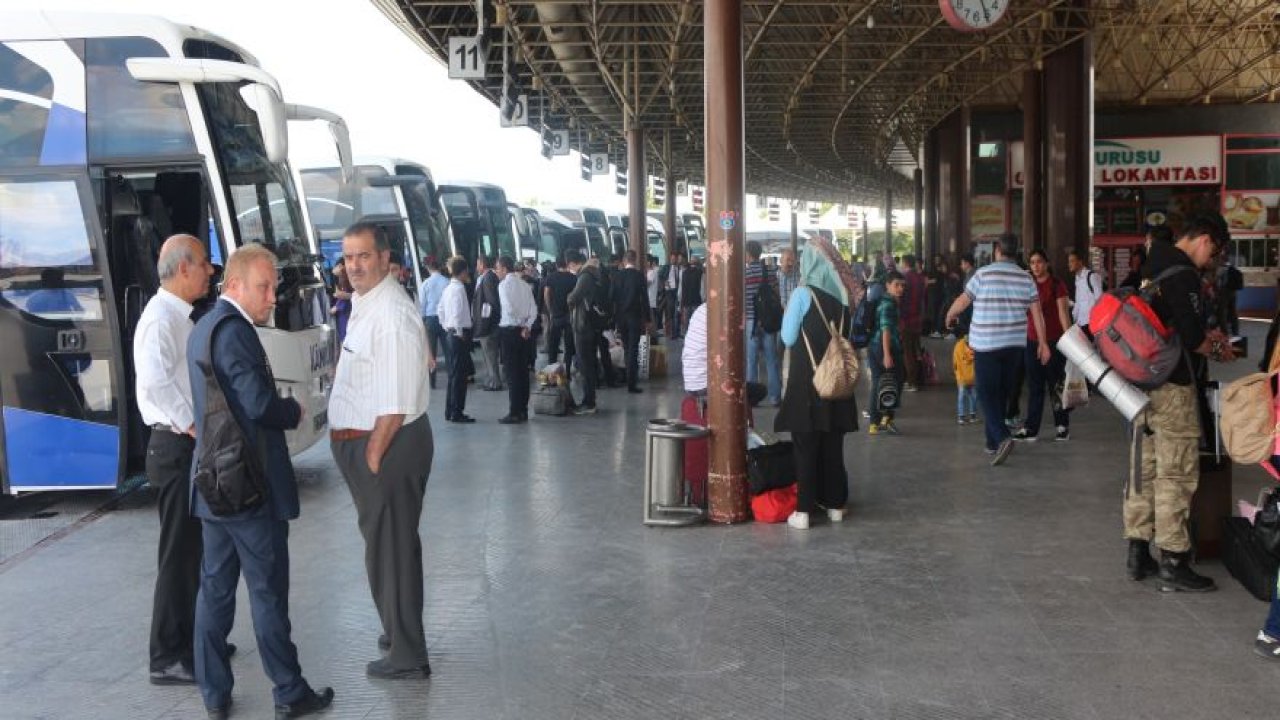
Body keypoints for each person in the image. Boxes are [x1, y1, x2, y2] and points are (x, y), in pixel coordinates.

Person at [188, 244, 333, 719]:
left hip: (214, 486)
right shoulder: (233, 332)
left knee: (214, 591)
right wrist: (290, 409)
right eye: (264, 286)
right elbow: (256, 404)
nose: (273, 296)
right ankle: (290, 693)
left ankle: (214, 693)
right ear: (234, 286)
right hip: (247, 488)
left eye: (274, 286)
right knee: (267, 593)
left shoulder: (203, 327)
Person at [329, 221, 435, 680]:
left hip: (386, 446)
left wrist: (371, 458)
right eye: (349, 257)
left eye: (364, 256)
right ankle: (397, 630)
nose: (354, 265)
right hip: (376, 445)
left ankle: (407, 654)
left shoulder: (390, 314)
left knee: (389, 551)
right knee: (390, 546)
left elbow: (393, 406)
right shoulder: (368, 302)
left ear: (386, 259)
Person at [1123, 214, 1237, 592]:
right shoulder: (1182, 272)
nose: (1212, 260)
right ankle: (1173, 560)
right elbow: (1191, 337)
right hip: (1174, 387)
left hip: (1141, 386)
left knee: (1144, 468)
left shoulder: (1151, 263)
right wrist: (1218, 346)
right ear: (1204, 239)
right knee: (1176, 471)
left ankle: (1138, 553)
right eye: (1215, 251)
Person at [134, 234, 214, 686]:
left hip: (185, 445)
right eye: (204, 263)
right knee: (178, 556)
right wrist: (193, 425)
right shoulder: (160, 319)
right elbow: (157, 382)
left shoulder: (179, 316)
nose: (209, 271)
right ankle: (167, 655)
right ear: (183, 268)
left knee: (196, 552)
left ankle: (193, 635)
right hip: (173, 448)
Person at [775, 238, 859, 530]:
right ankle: (835, 505)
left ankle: (804, 511)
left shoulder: (803, 294)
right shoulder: (845, 296)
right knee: (833, 446)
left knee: (805, 446)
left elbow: (787, 338)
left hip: (808, 383)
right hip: (837, 383)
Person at [945, 233, 1050, 466]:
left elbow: (963, 300)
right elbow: (1037, 313)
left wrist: (950, 314)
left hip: (987, 344)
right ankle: (992, 443)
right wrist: (1042, 343)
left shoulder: (983, 274)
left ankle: (1002, 437)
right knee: (1001, 392)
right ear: (1017, 253)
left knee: (985, 392)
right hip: (1014, 345)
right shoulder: (1026, 279)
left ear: (997, 251)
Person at [1013, 249, 1074, 442]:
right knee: (1034, 386)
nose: (1036, 266)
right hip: (1032, 340)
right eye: (1032, 263)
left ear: (1046, 264)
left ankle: (1062, 425)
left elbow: (1064, 314)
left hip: (1055, 341)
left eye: (1039, 262)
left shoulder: (1057, 285)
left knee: (1055, 385)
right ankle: (1031, 429)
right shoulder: (1026, 285)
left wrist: (1070, 341)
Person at [495, 255, 537, 423]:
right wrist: (527, 326)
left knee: (512, 374)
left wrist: (519, 324)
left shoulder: (503, 286)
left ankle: (514, 412)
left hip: (510, 331)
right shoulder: (525, 285)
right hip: (524, 332)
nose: (496, 271)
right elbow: (533, 309)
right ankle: (523, 410)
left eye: (497, 268)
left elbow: (509, 308)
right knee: (523, 372)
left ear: (505, 269)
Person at [744, 240, 782, 405]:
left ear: (748, 254)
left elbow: (743, 297)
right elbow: (776, 293)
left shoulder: (745, 274)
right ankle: (775, 397)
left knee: (752, 360)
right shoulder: (770, 271)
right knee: (771, 360)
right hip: (768, 321)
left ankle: (752, 398)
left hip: (752, 321)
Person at [438, 256, 475, 423]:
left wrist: (447, 326)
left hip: (451, 333)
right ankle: (457, 412)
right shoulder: (459, 289)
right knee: (460, 376)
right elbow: (457, 312)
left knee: (453, 375)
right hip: (459, 335)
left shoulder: (448, 288)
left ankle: (450, 410)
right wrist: (458, 331)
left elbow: (440, 310)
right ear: (463, 271)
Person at [868, 272, 905, 435]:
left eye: (902, 285)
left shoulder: (885, 300)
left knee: (877, 382)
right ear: (888, 285)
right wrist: (887, 354)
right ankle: (887, 419)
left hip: (873, 346)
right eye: (896, 285)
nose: (900, 288)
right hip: (885, 348)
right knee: (897, 380)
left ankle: (873, 424)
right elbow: (885, 330)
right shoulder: (888, 304)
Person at [566, 250, 601, 414]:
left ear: (573, 263)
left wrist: (569, 297)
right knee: (589, 363)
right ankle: (590, 399)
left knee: (585, 364)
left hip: (583, 325)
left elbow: (573, 298)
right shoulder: (593, 274)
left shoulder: (585, 276)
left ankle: (589, 402)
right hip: (590, 323)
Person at [612, 250, 652, 394]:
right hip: (635, 317)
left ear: (624, 260)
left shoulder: (617, 276)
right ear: (634, 260)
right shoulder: (639, 276)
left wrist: (613, 319)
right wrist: (647, 319)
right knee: (633, 349)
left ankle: (627, 376)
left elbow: (612, 297)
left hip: (621, 318)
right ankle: (632, 383)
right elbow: (644, 299)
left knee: (626, 347)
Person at [472, 255, 502, 391]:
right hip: (487, 324)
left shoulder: (488, 278)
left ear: (482, 264)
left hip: (488, 325)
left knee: (490, 354)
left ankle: (495, 382)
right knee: (487, 354)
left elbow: (492, 302)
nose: (476, 267)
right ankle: (490, 380)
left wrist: (487, 322)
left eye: (478, 264)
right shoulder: (486, 277)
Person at [418, 256, 449, 389]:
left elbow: (422, 304)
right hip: (444, 319)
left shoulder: (425, 284)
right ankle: (452, 377)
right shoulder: (447, 281)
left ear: (428, 268)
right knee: (448, 350)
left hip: (430, 320)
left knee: (431, 352)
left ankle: (432, 381)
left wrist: (422, 319)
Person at [543, 257, 578, 366]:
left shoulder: (550, 278)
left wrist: (550, 310)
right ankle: (567, 368)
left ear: (557, 265)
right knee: (569, 344)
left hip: (556, 315)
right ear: (567, 264)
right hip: (569, 314)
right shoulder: (574, 278)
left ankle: (552, 367)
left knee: (553, 343)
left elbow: (546, 294)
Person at [900, 255, 927, 391]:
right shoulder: (920, 278)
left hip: (906, 320)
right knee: (916, 350)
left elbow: (902, 298)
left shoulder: (904, 278)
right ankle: (919, 378)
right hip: (918, 319)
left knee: (907, 352)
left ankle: (912, 382)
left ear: (905, 263)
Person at [1067, 249, 1103, 334]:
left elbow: (1100, 300)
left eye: (1072, 261)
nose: (1069, 264)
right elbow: (1079, 302)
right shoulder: (1077, 279)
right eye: (1069, 262)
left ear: (1080, 262)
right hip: (1080, 323)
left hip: (1092, 322)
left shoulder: (1091, 276)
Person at [953, 328, 977, 425]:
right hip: (965, 377)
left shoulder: (959, 346)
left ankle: (967, 416)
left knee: (969, 396)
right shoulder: (961, 347)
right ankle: (965, 416)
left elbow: (955, 363)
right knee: (968, 396)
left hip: (967, 377)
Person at [660, 252, 684, 338]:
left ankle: (676, 332)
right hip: (669, 291)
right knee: (670, 312)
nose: (674, 260)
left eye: (675, 258)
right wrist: (664, 282)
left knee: (677, 312)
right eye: (672, 258)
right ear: (670, 259)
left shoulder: (678, 267)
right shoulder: (666, 267)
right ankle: (671, 332)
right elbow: (660, 275)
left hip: (676, 291)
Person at [330, 259, 353, 344]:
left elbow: (344, 296)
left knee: (346, 336)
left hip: (346, 313)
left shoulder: (348, 279)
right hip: (343, 314)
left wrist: (337, 307)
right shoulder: (341, 279)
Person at [680, 257, 703, 332]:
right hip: (696, 300)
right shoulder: (700, 272)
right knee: (696, 321)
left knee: (687, 322)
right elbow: (702, 289)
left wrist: (682, 303)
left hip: (686, 301)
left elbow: (682, 289)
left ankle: (687, 336)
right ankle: (695, 335)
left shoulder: (684, 273)